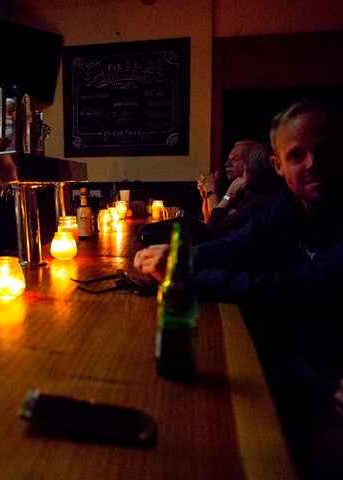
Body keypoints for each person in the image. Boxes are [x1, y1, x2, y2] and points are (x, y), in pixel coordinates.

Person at [135, 99, 343, 479]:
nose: (312, 163)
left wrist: (183, 276)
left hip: (326, 379)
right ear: (279, 166)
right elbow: (233, 245)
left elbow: (293, 287)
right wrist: (178, 257)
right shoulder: (286, 206)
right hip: (297, 355)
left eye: (325, 150)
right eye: (297, 155)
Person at [199, 140, 285, 237]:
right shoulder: (243, 192)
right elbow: (212, 218)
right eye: (229, 159)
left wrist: (213, 192)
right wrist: (207, 196)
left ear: (252, 165)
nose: (227, 164)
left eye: (235, 159)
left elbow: (214, 230)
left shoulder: (259, 199)